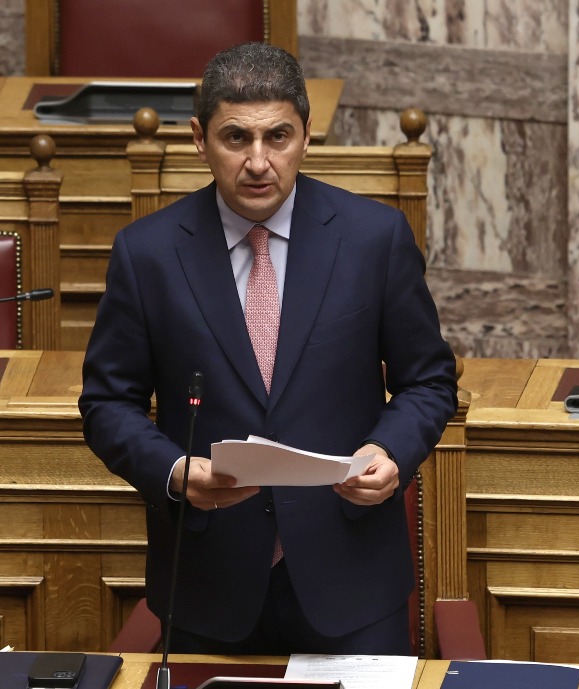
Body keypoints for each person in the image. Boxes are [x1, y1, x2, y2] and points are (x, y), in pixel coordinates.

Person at [79, 42, 457, 656]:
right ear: (199, 139)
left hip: (351, 579)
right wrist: (173, 472)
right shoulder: (147, 254)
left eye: (277, 136)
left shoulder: (374, 239)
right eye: (236, 138)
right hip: (208, 583)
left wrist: (390, 451)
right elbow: (106, 404)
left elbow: (429, 381)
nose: (258, 162)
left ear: (306, 136)